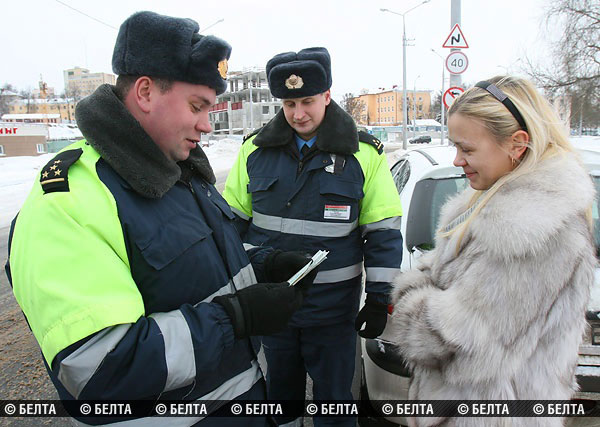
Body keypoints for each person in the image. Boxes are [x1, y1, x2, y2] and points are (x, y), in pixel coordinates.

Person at [5, 11, 317, 426]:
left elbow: (182, 264)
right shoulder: (67, 202)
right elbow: (98, 367)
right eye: (196, 106)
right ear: (146, 92)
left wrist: (261, 265)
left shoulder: (177, 171)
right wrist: (235, 318)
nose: (207, 125)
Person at [390, 76, 596, 427]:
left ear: (517, 144)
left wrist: (412, 290)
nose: (457, 160)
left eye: (467, 149)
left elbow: (448, 339)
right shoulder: (500, 204)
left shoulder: (528, 232)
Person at [223, 47, 404, 426]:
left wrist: (378, 298)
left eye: (307, 101)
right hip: (272, 309)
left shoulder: (363, 154)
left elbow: (383, 233)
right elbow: (230, 226)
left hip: (334, 314)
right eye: (289, 103)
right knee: (278, 401)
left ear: (327, 96)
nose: (299, 114)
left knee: (335, 404)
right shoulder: (253, 152)